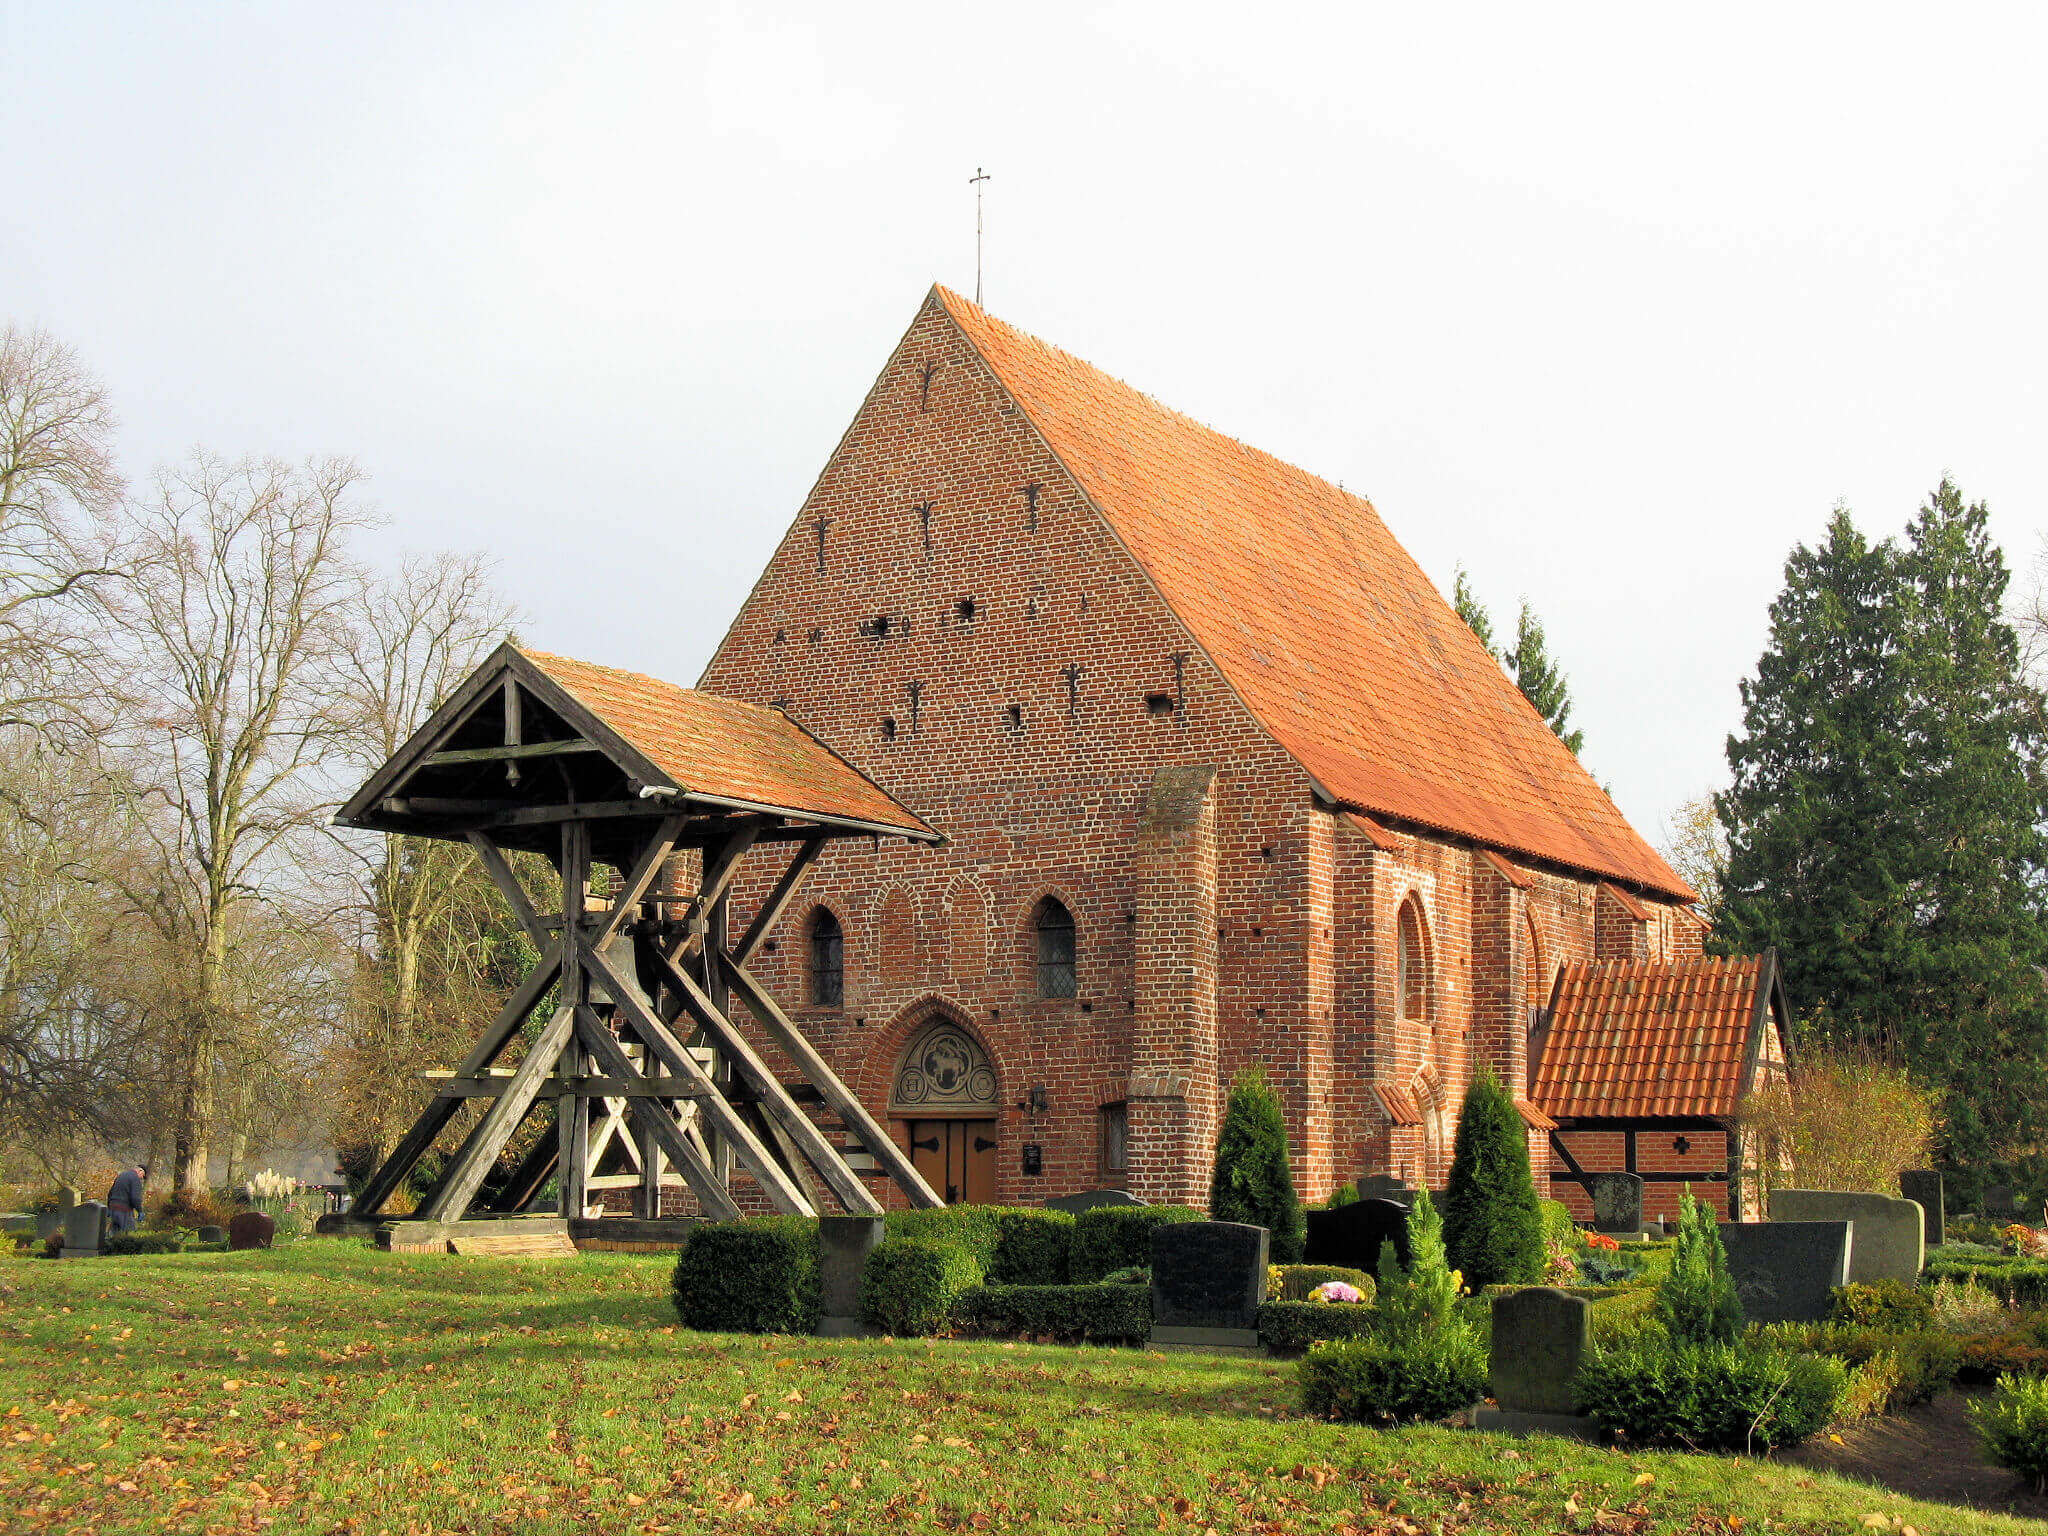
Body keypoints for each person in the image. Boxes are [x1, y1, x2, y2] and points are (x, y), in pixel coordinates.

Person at [107, 1163, 146, 1232]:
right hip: (124, 1210)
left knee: (113, 1234)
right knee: (129, 1233)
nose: (141, 1178)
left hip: (113, 1208)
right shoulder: (135, 1178)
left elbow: (110, 1193)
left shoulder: (121, 1175)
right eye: (142, 1176)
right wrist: (140, 1211)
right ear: (140, 1171)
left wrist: (109, 1208)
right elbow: (135, 1198)